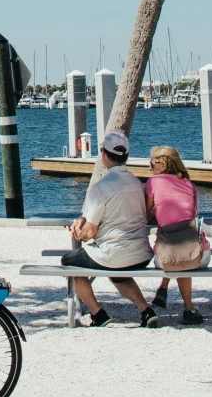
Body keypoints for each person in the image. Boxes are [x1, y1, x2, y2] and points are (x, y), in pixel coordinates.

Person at [62, 130, 159, 328]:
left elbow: (90, 233)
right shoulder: (137, 184)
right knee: (117, 271)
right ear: (127, 156)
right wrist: (84, 216)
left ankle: (98, 314)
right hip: (141, 254)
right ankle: (146, 310)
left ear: (103, 154)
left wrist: (78, 231)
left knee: (69, 262)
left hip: (112, 255)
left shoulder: (100, 187)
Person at [146, 146, 208, 324]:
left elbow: (146, 213)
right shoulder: (190, 185)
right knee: (182, 253)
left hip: (169, 256)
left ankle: (165, 288)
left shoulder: (154, 182)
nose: (150, 168)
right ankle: (189, 308)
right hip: (199, 254)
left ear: (162, 164)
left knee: (175, 254)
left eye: (152, 163)